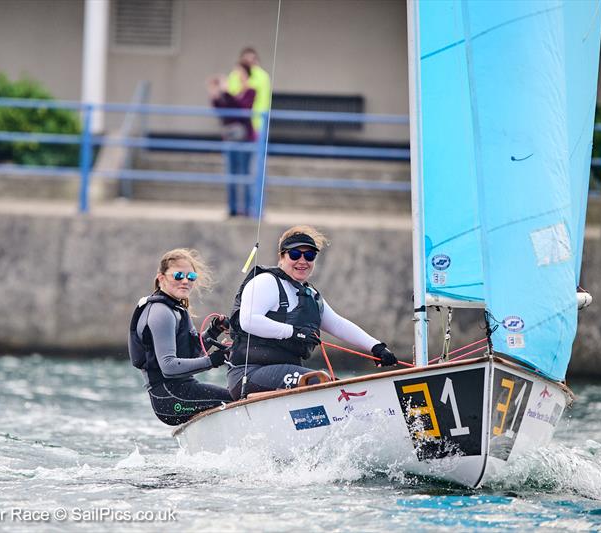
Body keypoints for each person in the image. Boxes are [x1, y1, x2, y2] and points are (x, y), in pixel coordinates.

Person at [226, 225, 398, 400]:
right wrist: (294, 333)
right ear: (282, 256)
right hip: (249, 374)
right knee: (323, 383)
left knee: (338, 387)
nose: (302, 261)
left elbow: (338, 325)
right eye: (295, 254)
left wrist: (376, 347)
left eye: (309, 256)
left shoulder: (311, 295)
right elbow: (248, 320)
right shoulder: (266, 282)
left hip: (285, 374)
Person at [128, 248, 232, 425]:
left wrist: (214, 330)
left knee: (236, 395)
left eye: (191, 277)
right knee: (236, 399)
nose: (185, 281)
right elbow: (168, 366)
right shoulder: (161, 313)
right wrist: (213, 361)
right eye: (178, 276)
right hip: (170, 399)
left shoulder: (176, 309)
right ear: (161, 278)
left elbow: (192, 354)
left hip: (182, 391)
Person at [207, 63, 256, 217]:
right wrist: (215, 95)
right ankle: (233, 209)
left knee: (244, 174)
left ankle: (247, 209)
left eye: (239, 72)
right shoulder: (235, 94)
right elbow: (224, 112)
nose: (236, 75)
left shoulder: (250, 92)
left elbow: (241, 110)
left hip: (245, 139)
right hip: (230, 138)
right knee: (231, 175)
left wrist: (226, 92)